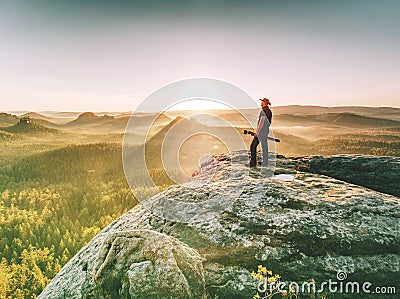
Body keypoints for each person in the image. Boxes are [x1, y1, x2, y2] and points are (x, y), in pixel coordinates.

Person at [249, 98, 272, 167]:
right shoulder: (269, 111)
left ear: (264, 103)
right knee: (264, 146)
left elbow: (261, 122)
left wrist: (257, 132)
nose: (261, 103)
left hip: (261, 131)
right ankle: (265, 163)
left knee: (253, 146)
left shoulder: (263, 111)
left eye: (262, 102)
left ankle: (253, 163)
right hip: (266, 130)